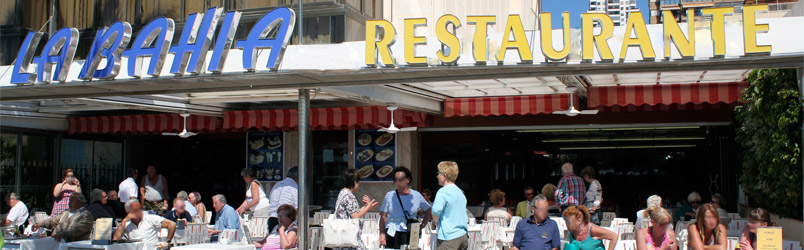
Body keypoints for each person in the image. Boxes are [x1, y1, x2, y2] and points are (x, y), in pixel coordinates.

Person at [380, 167, 432, 248]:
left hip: (410, 231)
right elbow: (383, 215)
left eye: (400, 179)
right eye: (395, 180)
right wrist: (382, 234)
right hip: (392, 232)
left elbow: (428, 209)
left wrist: (422, 225)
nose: (397, 182)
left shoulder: (416, 195)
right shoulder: (389, 195)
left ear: (407, 180)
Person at [335, 169, 379, 250]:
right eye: (358, 182)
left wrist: (366, 206)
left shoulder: (343, 193)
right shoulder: (349, 196)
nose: (359, 185)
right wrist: (368, 207)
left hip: (345, 237)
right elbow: (356, 216)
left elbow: (353, 212)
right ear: (354, 181)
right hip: (350, 239)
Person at [432, 161, 469, 250]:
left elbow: (435, 211)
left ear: (444, 175)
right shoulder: (460, 192)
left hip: (449, 237)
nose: (437, 176)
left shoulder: (443, 191)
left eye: (438, 173)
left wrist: (435, 222)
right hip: (463, 236)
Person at [268, 166, 298, 232]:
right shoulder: (294, 187)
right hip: (285, 220)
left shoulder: (277, 185)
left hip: (272, 218)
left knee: (273, 241)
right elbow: (297, 207)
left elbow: (270, 200)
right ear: (297, 178)